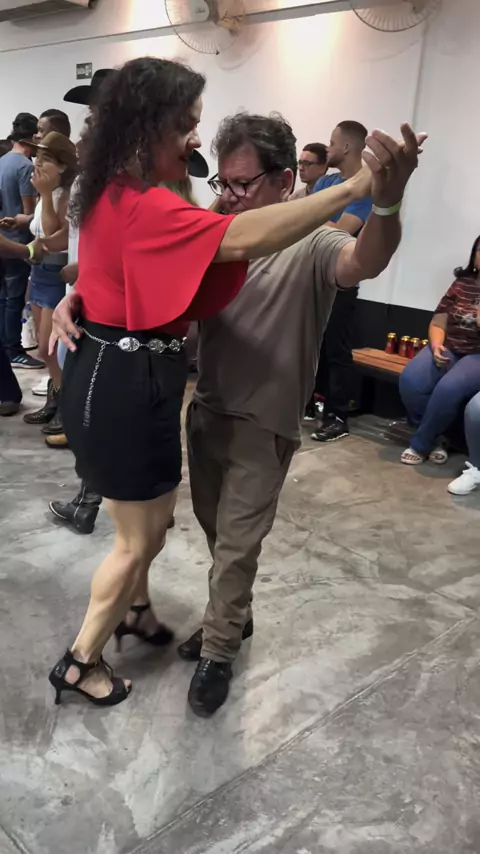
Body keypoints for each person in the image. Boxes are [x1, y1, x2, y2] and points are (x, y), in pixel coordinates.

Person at [47, 59, 374, 709]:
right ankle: (79, 662)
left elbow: (105, 270)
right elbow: (241, 237)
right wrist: (356, 186)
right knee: (141, 536)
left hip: (126, 375)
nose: (195, 139)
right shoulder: (149, 207)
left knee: (162, 523)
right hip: (130, 382)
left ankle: (143, 613)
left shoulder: (115, 194)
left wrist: (77, 298)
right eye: (187, 124)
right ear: (148, 127)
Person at [307, 121, 372, 439]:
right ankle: (307, 403)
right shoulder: (326, 182)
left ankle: (337, 417)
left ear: (346, 147)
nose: (327, 148)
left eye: (332, 143)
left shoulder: (365, 187)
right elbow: (307, 217)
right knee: (308, 345)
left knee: (336, 349)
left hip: (340, 281)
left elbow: (343, 230)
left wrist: (313, 220)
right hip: (310, 275)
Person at [400, 235, 480, 466]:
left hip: (477, 355)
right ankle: (440, 438)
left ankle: (421, 443)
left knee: (449, 388)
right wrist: (436, 346)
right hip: (451, 346)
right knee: (411, 380)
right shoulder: (461, 283)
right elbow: (438, 322)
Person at [0, 112, 43, 369]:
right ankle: (14, 351)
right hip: (18, 243)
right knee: (14, 300)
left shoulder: (3, 161)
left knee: (3, 298)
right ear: (33, 138)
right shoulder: (25, 167)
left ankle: (6, 349)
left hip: (2, 240)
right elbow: (28, 213)